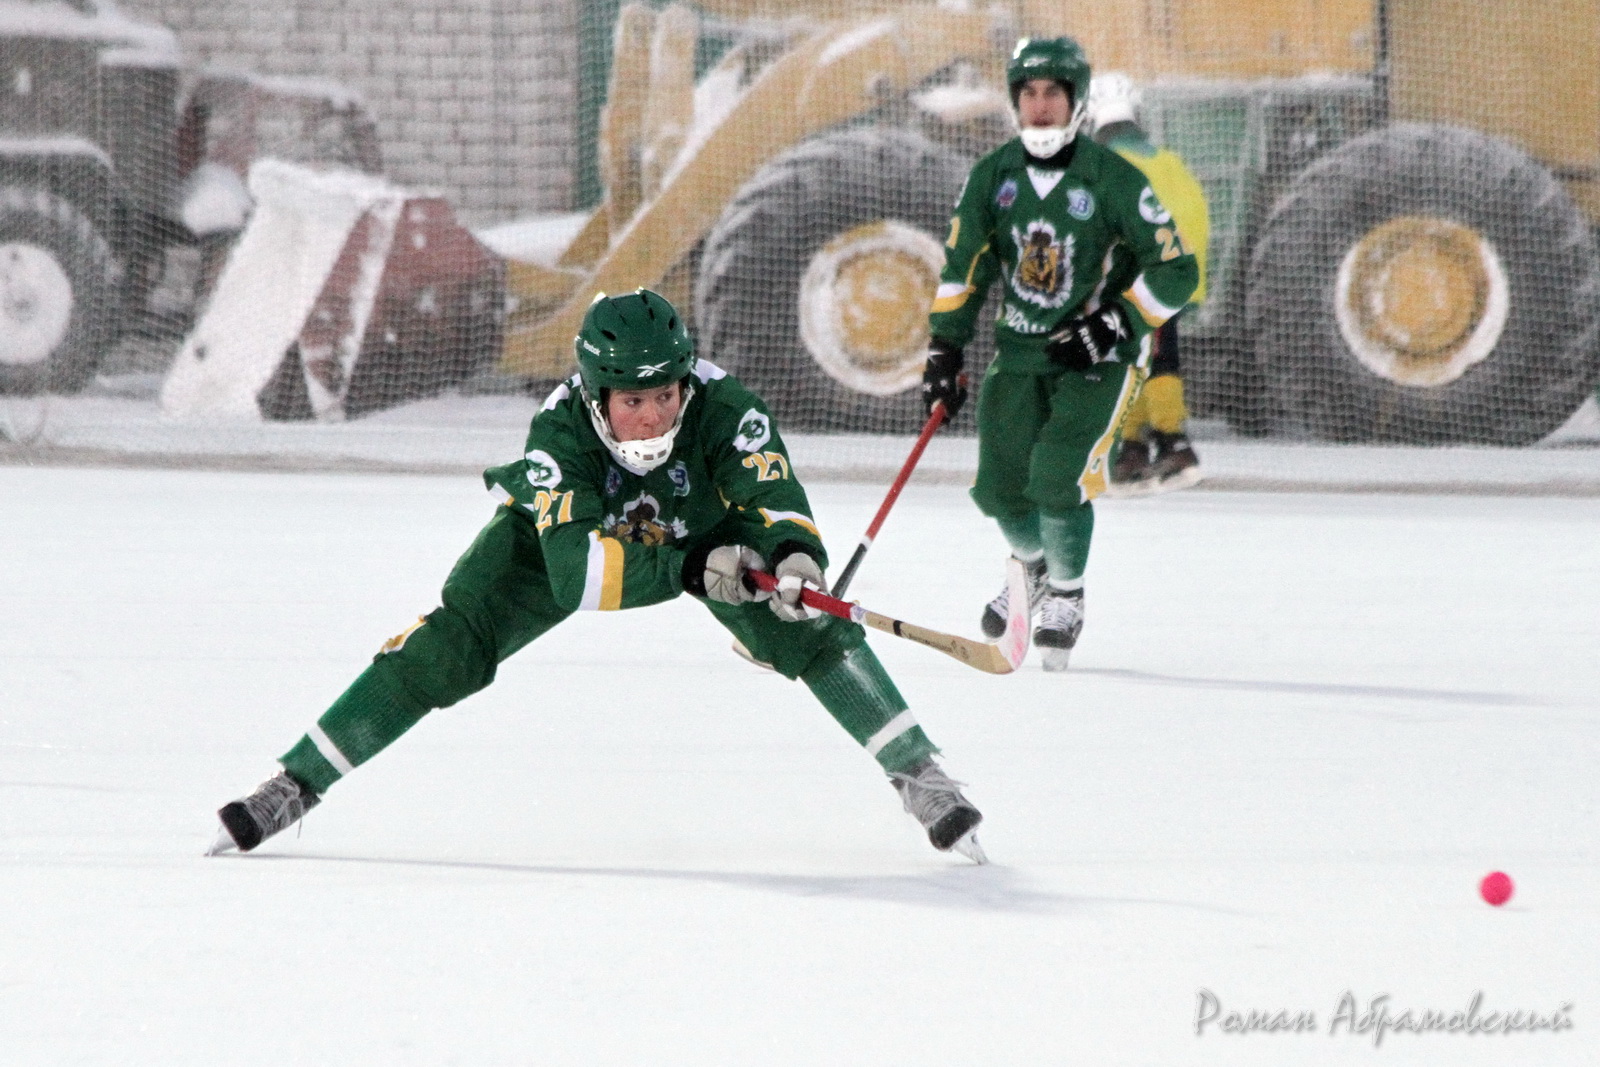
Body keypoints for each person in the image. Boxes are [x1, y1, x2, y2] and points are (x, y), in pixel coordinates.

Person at [211, 289, 985, 862]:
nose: (653, 415)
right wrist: (687, 568)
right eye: (634, 400)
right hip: (569, 534)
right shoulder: (558, 435)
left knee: (808, 624)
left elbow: (770, 488)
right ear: (596, 393)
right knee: (449, 645)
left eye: (666, 395)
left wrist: (792, 556)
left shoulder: (727, 408)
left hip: (701, 521)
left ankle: (921, 774)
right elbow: (576, 573)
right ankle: (294, 783)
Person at [921, 37, 1198, 671]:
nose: (1040, 105)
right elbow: (964, 266)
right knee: (999, 490)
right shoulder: (993, 175)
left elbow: (1177, 270)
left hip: (1097, 359)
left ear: (1077, 102)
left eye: (1053, 92)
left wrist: (1115, 323)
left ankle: (1067, 595)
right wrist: (944, 349)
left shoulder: (1113, 178)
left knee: (1055, 477)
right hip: (1019, 353)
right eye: (1029, 93)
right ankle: (1035, 568)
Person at [1089, 72, 1210, 494]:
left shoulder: (1103, 165)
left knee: (1150, 360)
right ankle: (1133, 449)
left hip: (1140, 277)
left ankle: (1173, 443)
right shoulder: (1167, 161)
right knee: (1141, 358)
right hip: (1172, 276)